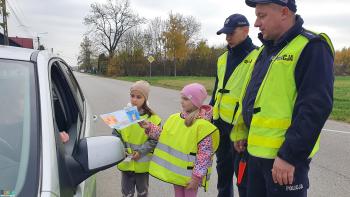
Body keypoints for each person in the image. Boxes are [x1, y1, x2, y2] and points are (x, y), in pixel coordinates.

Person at [231, 1, 334, 197]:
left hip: (283, 162)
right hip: (254, 154)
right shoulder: (265, 50)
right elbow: (254, 97)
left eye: (262, 16)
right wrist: (243, 130)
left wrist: (289, 156)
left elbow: (315, 108)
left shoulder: (311, 46)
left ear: (284, 13)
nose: (256, 23)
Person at [140, 83, 220, 197]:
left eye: (186, 99)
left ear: (196, 102)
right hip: (177, 173)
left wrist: (197, 177)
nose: (182, 101)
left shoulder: (203, 126)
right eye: (182, 98)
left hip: (191, 176)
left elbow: (205, 154)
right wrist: (150, 127)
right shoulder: (174, 118)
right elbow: (164, 136)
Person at [210, 13, 257, 197]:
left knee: (243, 181)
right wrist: (210, 112)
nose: (227, 37)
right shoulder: (222, 58)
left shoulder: (257, 57)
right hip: (220, 126)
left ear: (245, 30)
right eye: (225, 34)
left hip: (241, 129)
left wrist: (246, 127)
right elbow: (217, 90)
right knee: (223, 177)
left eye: (231, 33)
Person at [112, 80, 162, 197]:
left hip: (142, 165)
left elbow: (154, 140)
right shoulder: (123, 115)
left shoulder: (153, 119)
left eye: (138, 97)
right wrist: (121, 148)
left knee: (142, 192)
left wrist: (140, 152)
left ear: (145, 98)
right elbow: (115, 134)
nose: (134, 99)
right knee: (126, 192)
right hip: (126, 163)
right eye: (132, 96)